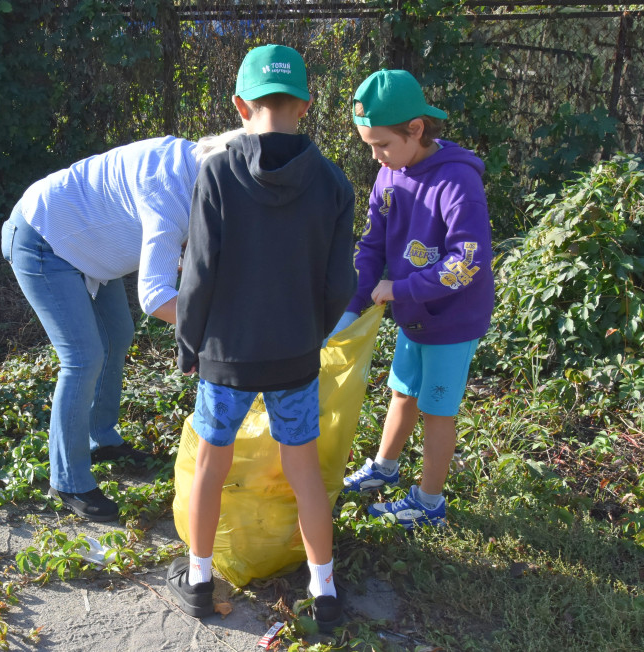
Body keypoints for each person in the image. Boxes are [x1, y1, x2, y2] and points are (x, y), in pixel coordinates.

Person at [167, 44, 357, 632]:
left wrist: (190, 348)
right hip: (295, 358)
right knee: (305, 474)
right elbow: (339, 282)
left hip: (225, 358)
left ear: (241, 105)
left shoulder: (217, 171)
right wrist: (308, 335)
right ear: (306, 103)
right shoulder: (332, 182)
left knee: (211, 470)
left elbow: (197, 272)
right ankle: (324, 592)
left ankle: (199, 583)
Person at [1, 131, 239, 522]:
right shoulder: (170, 195)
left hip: (90, 245)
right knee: (83, 357)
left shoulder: (199, 164)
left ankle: (101, 438)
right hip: (43, 238)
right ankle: (68, 479)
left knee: (116, 334)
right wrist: (218, 328)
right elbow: (156, 296)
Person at [337, 69, 495, 529]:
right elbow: (370, 247)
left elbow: (467, 261)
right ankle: (385, 469)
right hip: (414, 317)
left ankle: (429, 503)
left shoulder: (457, 182)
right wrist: (353, 301)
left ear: (417, 129)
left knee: (436, 411)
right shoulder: (389, 176)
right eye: (369, 145)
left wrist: (401, 289)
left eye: (382, 144)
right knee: (402, 392)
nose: (376, 156)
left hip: (452, 320)